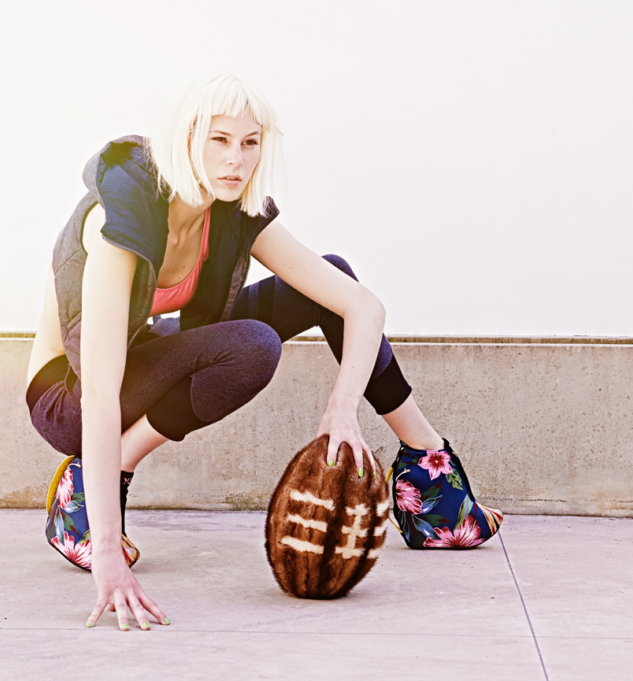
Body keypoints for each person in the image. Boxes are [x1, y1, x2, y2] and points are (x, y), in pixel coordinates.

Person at [25, 75, 500, 632]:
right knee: (252, 347)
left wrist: (341, 409)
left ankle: (429, 470)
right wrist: (106, 551)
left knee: (332, 278)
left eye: (250, 142)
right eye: (219, 140)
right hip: (70, 395)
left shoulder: (233, 208)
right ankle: (92, 493)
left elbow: (362, 306)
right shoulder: (122, 215)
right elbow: (102, 390)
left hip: (146, 357)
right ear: (185, 140)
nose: (236, 159)